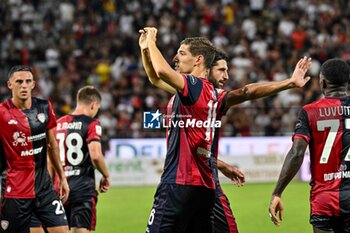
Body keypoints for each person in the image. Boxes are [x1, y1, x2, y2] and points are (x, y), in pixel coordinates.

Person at [139, 27, 311, 233]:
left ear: (198, 60)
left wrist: (151, 42)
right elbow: (155, 79)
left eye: (182, 53)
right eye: (222, 69)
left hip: (178, 181)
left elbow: (160, 72)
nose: (176, 57)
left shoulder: (192, 85)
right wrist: (145, 50)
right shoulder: (212, 96)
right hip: (205, 188)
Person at [268, 58, 350, 233]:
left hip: (324, 199)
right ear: (347, 80)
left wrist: (277, 192)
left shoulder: (309, 111)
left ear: (323, 81)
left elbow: (297, 154)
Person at [0, 65, 69, 233]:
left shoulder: (44, 107)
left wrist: (62, 178)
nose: (23, 85)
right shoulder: (2, 113)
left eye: (27, 81)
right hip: (15, 192)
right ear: (10, 85)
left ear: (33, 84)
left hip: (44, 188)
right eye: (19, 82)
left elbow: (52, 145)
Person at [51, 85, 110, 233]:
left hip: (59, 190)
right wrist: (106, 175)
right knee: (80, 230)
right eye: (97, 108)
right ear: (93, 105)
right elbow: (95, 155)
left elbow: (50, 159)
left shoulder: (57, 124)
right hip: (82, 189)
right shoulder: (91, 123)